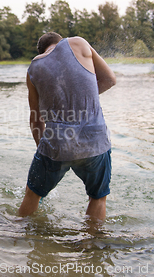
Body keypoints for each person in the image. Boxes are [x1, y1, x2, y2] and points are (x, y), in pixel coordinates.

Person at [18, 32, 116, 222]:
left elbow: (36, 119)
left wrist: (44, 151)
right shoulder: (78, 42)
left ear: (42, 51)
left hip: (56, 143)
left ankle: (18, 237)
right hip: (94, 141)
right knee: (98, 197)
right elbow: (109, 80)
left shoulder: (33, 68)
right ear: (60, 41)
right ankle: (92, 245)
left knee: (32, 195)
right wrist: (84, 98)